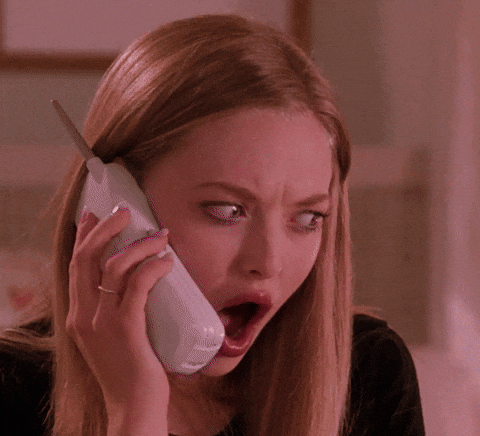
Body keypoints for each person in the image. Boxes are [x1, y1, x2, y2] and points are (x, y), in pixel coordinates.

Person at [0, 14, 425, 436]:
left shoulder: (369, 370)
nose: (269, 262)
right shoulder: (11, 387)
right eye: (227, 211)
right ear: (116, 205)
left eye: (307, 218)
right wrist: (135, 409)